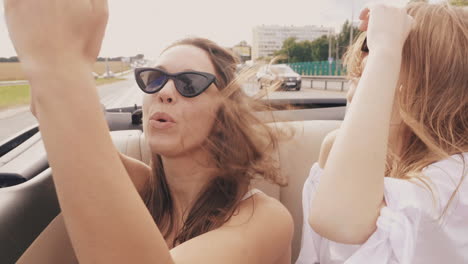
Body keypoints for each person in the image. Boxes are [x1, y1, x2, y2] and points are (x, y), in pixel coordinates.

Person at [4, 1, 294, 263]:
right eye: (154, 78)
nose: (165, 92)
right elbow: (54, 119)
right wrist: (53, 52)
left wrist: (61, 67)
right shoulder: (141, 186)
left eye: (189, 83)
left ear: (224, 115)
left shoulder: (266, 219)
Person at [298, 2, 468, 263]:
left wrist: (386, 49)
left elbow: (338, 221)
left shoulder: (455, 182)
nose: (352, 92)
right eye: (356, 77)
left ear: (429, 91)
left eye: (370, 76)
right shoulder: (347, 156)